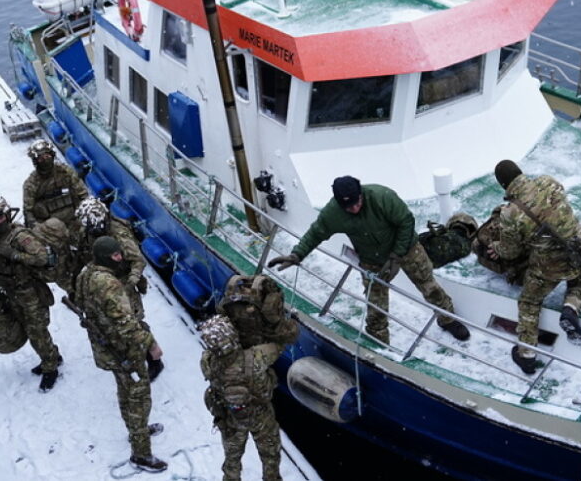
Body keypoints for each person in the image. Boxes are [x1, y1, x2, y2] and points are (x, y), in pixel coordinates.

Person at [268, 175, 470, 344]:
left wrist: (396, 255)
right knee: (375, 305)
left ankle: (447, 319)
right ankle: (379, 341)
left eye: (357, 202)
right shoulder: (333, 214)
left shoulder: (382, 197)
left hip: (407, 249)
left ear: (361, 194)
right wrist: (297, 254)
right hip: (372, 259)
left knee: (429, 286)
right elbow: (316, 232)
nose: (354, 208)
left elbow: (406, 222)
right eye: (348, 206)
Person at [72, 236, 167, 472]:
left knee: (125, 392)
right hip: (124, 350)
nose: (120, 258)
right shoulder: (109, 283)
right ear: (105, 257)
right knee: (138, 399)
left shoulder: (86, 273)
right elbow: (126, 324)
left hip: (107, 348)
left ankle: (138, 432)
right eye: (115, 255)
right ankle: (141, 454)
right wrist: (151, 345)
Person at [486, 160, 581, 375]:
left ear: (503, 185)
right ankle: (571, 307)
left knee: (529, 302)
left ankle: (527, 355)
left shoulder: (510, 213)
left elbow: (511, 252)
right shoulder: (548, 181)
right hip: (578, 250)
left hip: (548, 266)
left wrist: (496, 246)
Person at [0, 194, 63, 391]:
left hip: (29, 292)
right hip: (9, 291)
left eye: (1, 217)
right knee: (25, 327)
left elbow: (42, 257)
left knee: (37, 332)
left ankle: (51, 366)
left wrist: (14, 254)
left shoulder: (20, 237)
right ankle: (51, 356)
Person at [73, 198, 164, 379]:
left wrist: (130, 283)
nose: (95, 230)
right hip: (101, 281)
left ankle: (153, 360)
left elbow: (138, 260)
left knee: (134, 321)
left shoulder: (119, 233)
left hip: (123, 281)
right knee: (110, 322)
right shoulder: (87, 232)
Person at [199, 315, 282, 481]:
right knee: (270, 456)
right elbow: (278, 347)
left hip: (231, 417)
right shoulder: (256, 357)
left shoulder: (208, 363)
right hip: (261, 416)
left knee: (232, 459)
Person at [22, 140, 88, 230]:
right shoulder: (31, 184)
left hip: (74, 222)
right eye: (41, 158)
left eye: (47, 156)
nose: (45, 160)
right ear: (35, 161)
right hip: (49, 230)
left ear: (52, 155)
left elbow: (83, 195)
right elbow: (28, 212)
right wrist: (39, 229)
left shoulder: (66, 172)